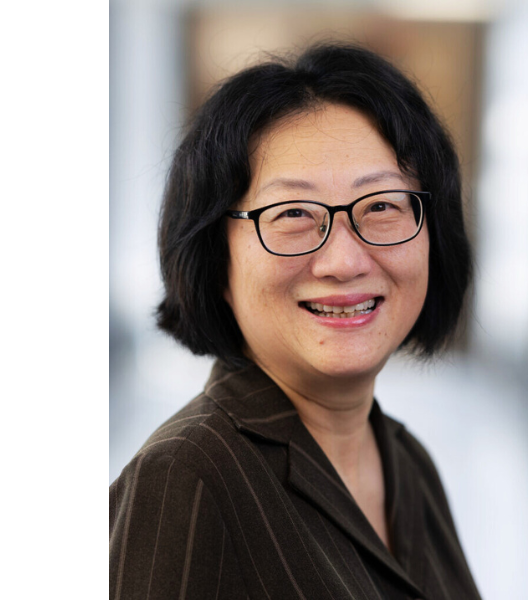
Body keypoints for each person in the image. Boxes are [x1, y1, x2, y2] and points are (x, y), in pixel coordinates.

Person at [109, 42, 480, 600]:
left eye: (381, 206)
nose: (344, 261)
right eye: (293, 215)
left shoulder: (406, 461)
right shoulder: (186, 480)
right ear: (216, 256)